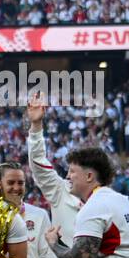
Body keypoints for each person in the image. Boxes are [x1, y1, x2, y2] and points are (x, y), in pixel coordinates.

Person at [24, 91, 81, 241]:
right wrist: (36, 125)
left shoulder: (109, 201)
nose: (68, 175)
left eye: (73, 171)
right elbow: (37, 161)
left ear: (89, 175)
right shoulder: (61, 191)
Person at [0, 162, 57, 258]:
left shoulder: (40, 215)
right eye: (10, 183)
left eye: (20, 183)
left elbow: (46, 257)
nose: (16, 188)